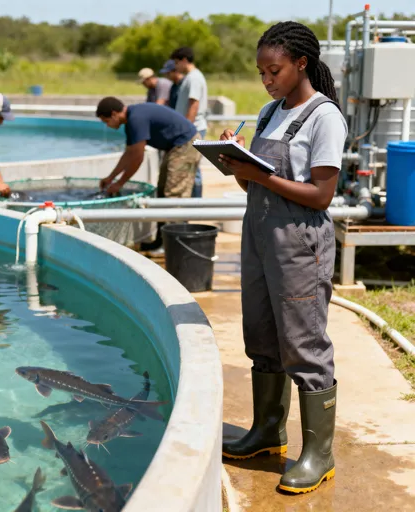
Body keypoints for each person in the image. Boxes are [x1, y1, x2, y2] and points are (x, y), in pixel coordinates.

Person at [219, 21, 347, 495]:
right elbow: (251, 184)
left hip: (299, 243)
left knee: (303, 344)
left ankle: (319, 453)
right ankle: (267, 432)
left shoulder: (323, 117)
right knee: (262, 335)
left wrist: (260, 175)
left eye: (274, 70)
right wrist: (234, 162)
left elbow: (320, 195)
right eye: (261, 72)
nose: (267, 80)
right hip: (259, 238)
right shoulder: (268, 112)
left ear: (300, 64)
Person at [96, 97, 201, 253]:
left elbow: (138, 158)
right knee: (163, 191)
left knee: (174, 196)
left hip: (186, 144)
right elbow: (129, 154)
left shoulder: (135, 119)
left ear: (114, 114)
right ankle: (161, 241)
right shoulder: (132, 119)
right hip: (175, 147)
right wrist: (111, 178)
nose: (107, 125)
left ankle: (174, 246)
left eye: (106, 121)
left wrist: (120, 183)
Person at [170, 47, 208, 198]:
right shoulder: (191, 77)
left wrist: (186, 129)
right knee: (191, 168)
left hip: (194, 129)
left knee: (194, 168)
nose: (176, 66)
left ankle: (196, 204)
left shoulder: (194, 78)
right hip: (192, 128)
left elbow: (194, 104)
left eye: (177, 62)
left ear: (184, 60)